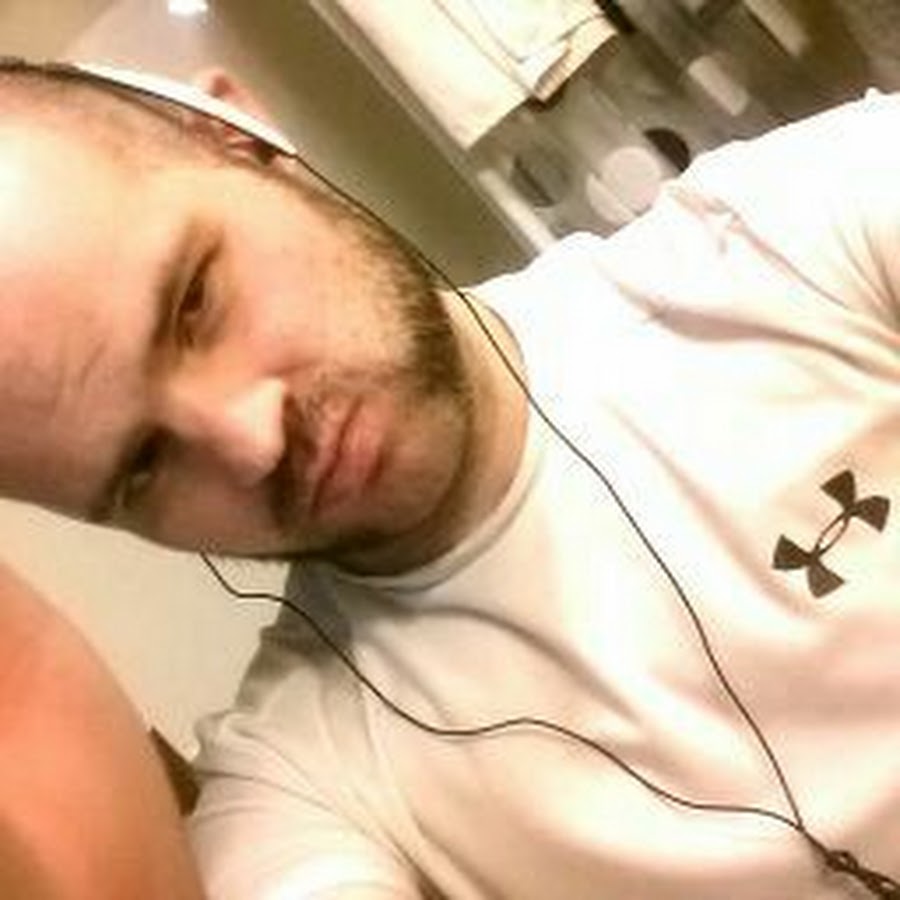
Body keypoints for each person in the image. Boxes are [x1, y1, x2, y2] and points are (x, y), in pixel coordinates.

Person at [0, 57, 898, 899]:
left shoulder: (792, 238)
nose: (251, 439)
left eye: (194, 304)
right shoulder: (298, 788)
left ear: (239, 134)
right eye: (143, 467)